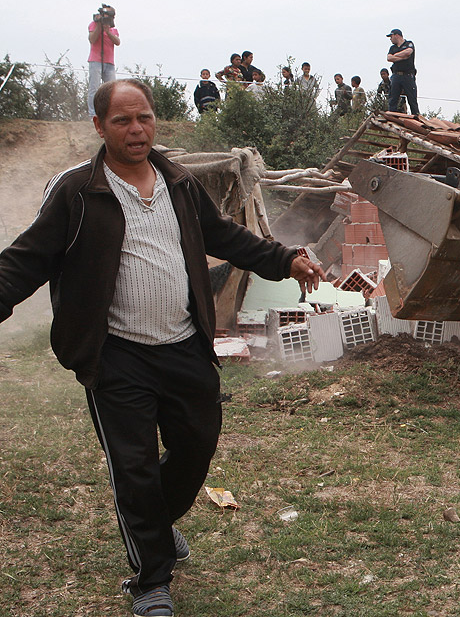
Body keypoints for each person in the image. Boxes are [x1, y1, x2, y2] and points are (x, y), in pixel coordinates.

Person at [0, 79, 329, 617]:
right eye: (123, 121)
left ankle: (154, 527)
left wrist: (284, 257)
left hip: (183, 346)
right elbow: (25, 260)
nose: (137, 130)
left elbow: (225, 235)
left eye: (145, 118)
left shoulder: (177, 182)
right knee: (133, 468)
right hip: (116, 355)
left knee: (196, 447)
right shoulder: (77, 191)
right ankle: (151, 578)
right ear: (99, 126)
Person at [88, 4, 120, 117]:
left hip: (110, 63)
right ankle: (93, 115)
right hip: (95, 61)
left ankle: (110, 113)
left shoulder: (113, 29)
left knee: (111, 89)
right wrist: (99, 27)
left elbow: (117, 42)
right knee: (94, 88)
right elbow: (92, 39)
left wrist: (108, 31)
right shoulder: (94, 25)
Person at [386, 29, 419, 116]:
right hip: (396, 75)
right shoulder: (393, 48)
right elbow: (389, 58)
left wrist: (395, 56)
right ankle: (392, 116)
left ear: (397, 35)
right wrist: (402, 57)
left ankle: (416, 117)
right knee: (393, 99)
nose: (390, 39)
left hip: (408, 75)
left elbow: (408, 52)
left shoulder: (408, 44)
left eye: (391, 36)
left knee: (412, 99)